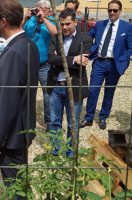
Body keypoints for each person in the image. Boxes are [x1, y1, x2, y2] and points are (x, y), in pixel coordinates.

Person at [0, 0, 39, 186]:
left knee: (15, 186)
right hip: (20, 129)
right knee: (18, 182)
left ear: (3, 21)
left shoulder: (15, 51)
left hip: (11, 135)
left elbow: (8, 101)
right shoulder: (28, 44)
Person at [80, 0, 132, 130]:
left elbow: (130, 47)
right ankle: (89, 117)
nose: (112, 13)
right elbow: (86, 38)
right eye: (110, 10)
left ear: (120, 11)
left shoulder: (127, 27)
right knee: (92, 91)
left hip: (114, 65)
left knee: (109, 93)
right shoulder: (99, 25)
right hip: (99, 63)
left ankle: (103, 117)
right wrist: (90, 51)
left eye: (115, 10)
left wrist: (124, 62)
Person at [47, 8, 92, 157]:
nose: (65, 27)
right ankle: (55, 149)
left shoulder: (85, 39)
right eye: (62, 24)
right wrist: (74, 59)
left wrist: (59, 60)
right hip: (56, 86)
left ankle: (70, 151)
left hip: (75, 86)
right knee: (54, 121)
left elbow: (83, 62)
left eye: (68, 24)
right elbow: (50, 59)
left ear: (75, 23)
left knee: (73, 124)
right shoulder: (55, 38)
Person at [22, 0, 57, 130]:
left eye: (43, 9)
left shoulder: (51, 20)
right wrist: (26, 18)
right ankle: (27, 121)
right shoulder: (30, 21)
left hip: (45, 65)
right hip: (29, 65)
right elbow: (17, 31)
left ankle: (49, 122)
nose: (40, 11)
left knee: (48, 95)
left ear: (48, 11)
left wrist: (44, 19)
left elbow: (56, 32)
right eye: (38, 9)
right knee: (28, 93)